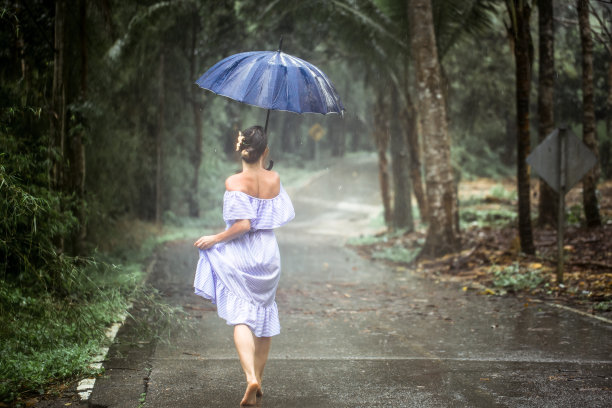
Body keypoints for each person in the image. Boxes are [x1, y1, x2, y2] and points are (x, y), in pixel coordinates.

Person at [193, 125, 295, 406]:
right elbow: (273, 215)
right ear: (266, 151)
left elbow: (243, 225)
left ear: (241, 149)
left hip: (243, 252)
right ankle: (258, 384)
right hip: (268, 254)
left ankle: (250, 377)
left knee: (242, 317)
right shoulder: (274, 179)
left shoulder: (234, 182)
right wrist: (265, 165)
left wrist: (215, 238)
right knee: (263, 316)